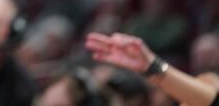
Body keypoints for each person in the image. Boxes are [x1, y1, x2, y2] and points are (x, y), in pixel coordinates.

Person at [85, 32, 219, 106]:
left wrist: (152, 67)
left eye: (208, 55)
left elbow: (210, 101)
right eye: (199, 56)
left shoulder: (208, 83)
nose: (203, 61)